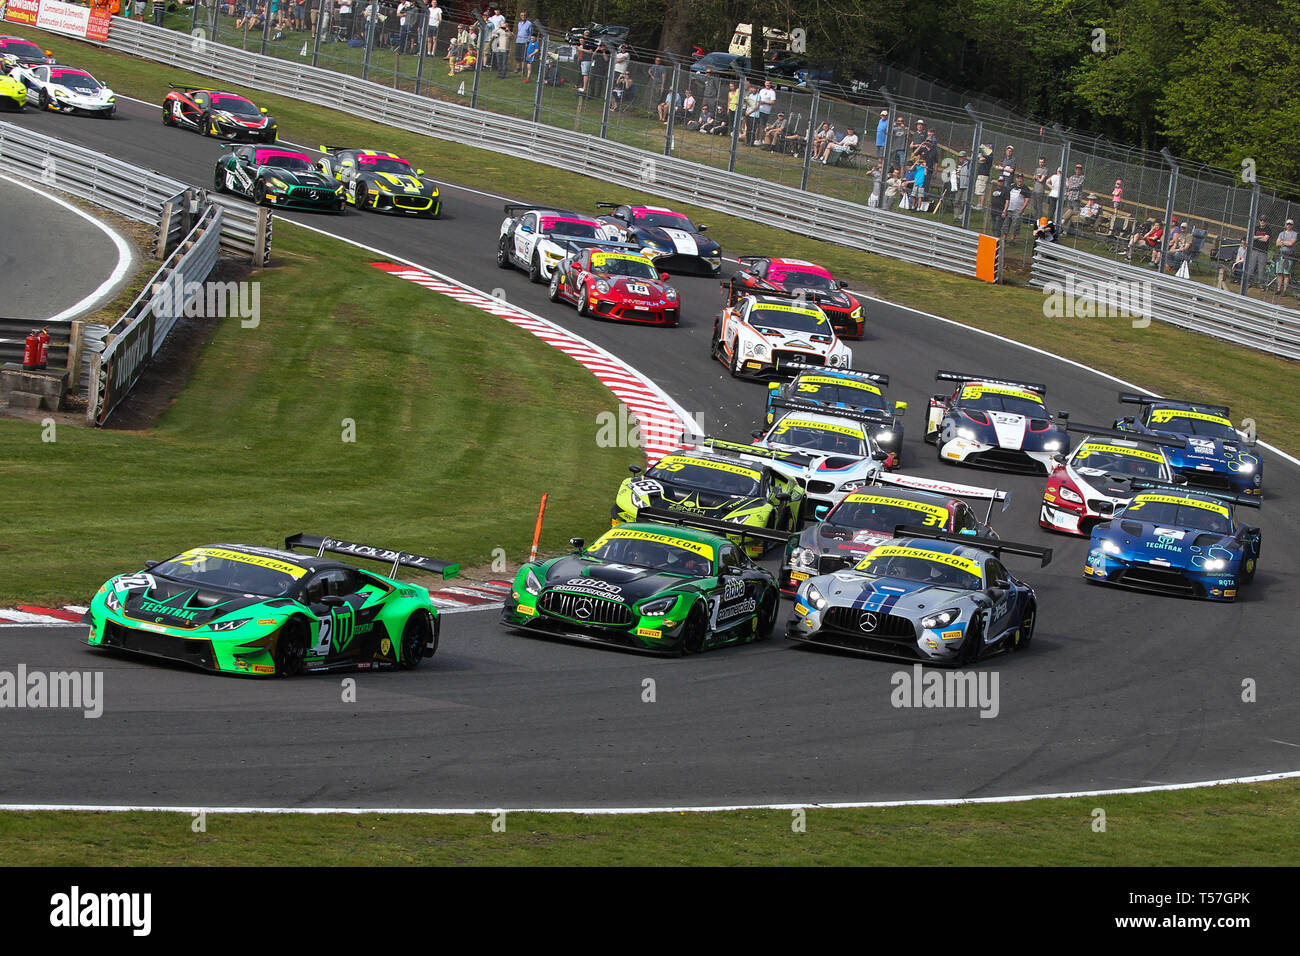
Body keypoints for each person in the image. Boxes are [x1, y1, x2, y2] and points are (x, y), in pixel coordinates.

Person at [1250, 215, 1273, 287]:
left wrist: (1256, 237)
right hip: (1254, 250)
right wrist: (1260, 236)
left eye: (1264, 220)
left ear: (1266, 222)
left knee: (1261, 268)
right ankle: (1249, 282)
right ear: (1259, 220)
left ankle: (1261, 284)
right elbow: (1251, 237)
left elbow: (1265, 239)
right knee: (1251, 267)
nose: (1262, 222)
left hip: (1263, 252)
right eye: (1261, 220)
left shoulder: (1268, 229)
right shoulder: (1256, 228)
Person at [1275, 218, 1297, 294]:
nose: (1288, 225)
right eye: (1288, 224)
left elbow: (1291, 243)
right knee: (1279, 273)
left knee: (1286, 274)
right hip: (1281, 255)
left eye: (1290, 224)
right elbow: (1277, 243)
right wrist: (1286, 242)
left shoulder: (1294, 234)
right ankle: (1278, 289)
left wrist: (1282, 242)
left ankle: (1284, 290)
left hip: (1288, 256)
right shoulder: (1281, 233)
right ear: (1286, 224)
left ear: (1292, 225)